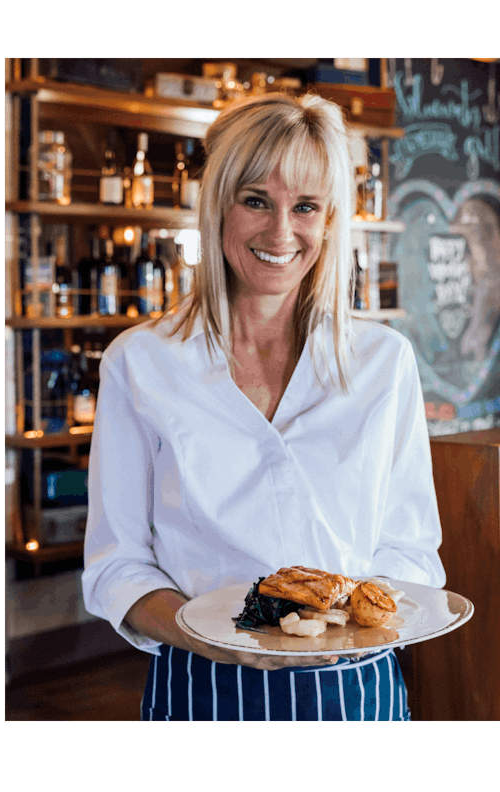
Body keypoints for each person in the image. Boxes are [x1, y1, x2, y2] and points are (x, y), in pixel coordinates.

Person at [82, 93, 446, 722]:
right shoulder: (139, 363)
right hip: (203, 690)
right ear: (217, 207)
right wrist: (211, 636)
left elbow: (411, 551)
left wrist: (341, 623)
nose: (281, 232)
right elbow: (117, 569)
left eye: (304, 206)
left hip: (357, 691)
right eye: (256, 201)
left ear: (330, 221)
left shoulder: (385, 363)